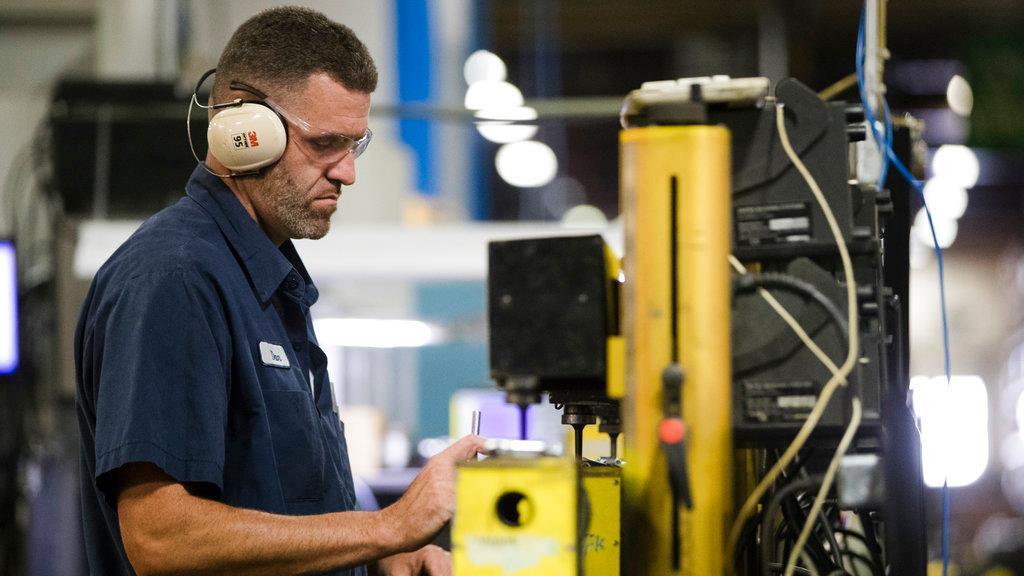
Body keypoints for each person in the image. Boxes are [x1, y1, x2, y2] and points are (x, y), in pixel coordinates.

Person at [75, 6, 484, 575]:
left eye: (356, 145)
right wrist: (388, 526)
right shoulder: (175, 280)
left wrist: (383, 558)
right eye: (325, 143)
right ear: (244, 132)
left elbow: (282, 508)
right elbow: (160, 539)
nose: (347, 173)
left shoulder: (266, 283)